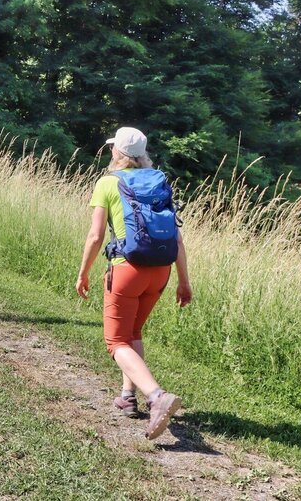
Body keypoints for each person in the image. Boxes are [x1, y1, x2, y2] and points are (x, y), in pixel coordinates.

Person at [75, 126, 193, 440]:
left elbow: (96, 236)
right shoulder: (158, 182)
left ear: (118, 152)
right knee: (134, 332)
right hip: (161, 270)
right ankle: (128, 397)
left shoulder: (108, 182)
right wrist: (184, 281)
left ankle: (156, 396)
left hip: (127, 269)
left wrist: (83, 272)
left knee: (116, 342)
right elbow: (177, 238)